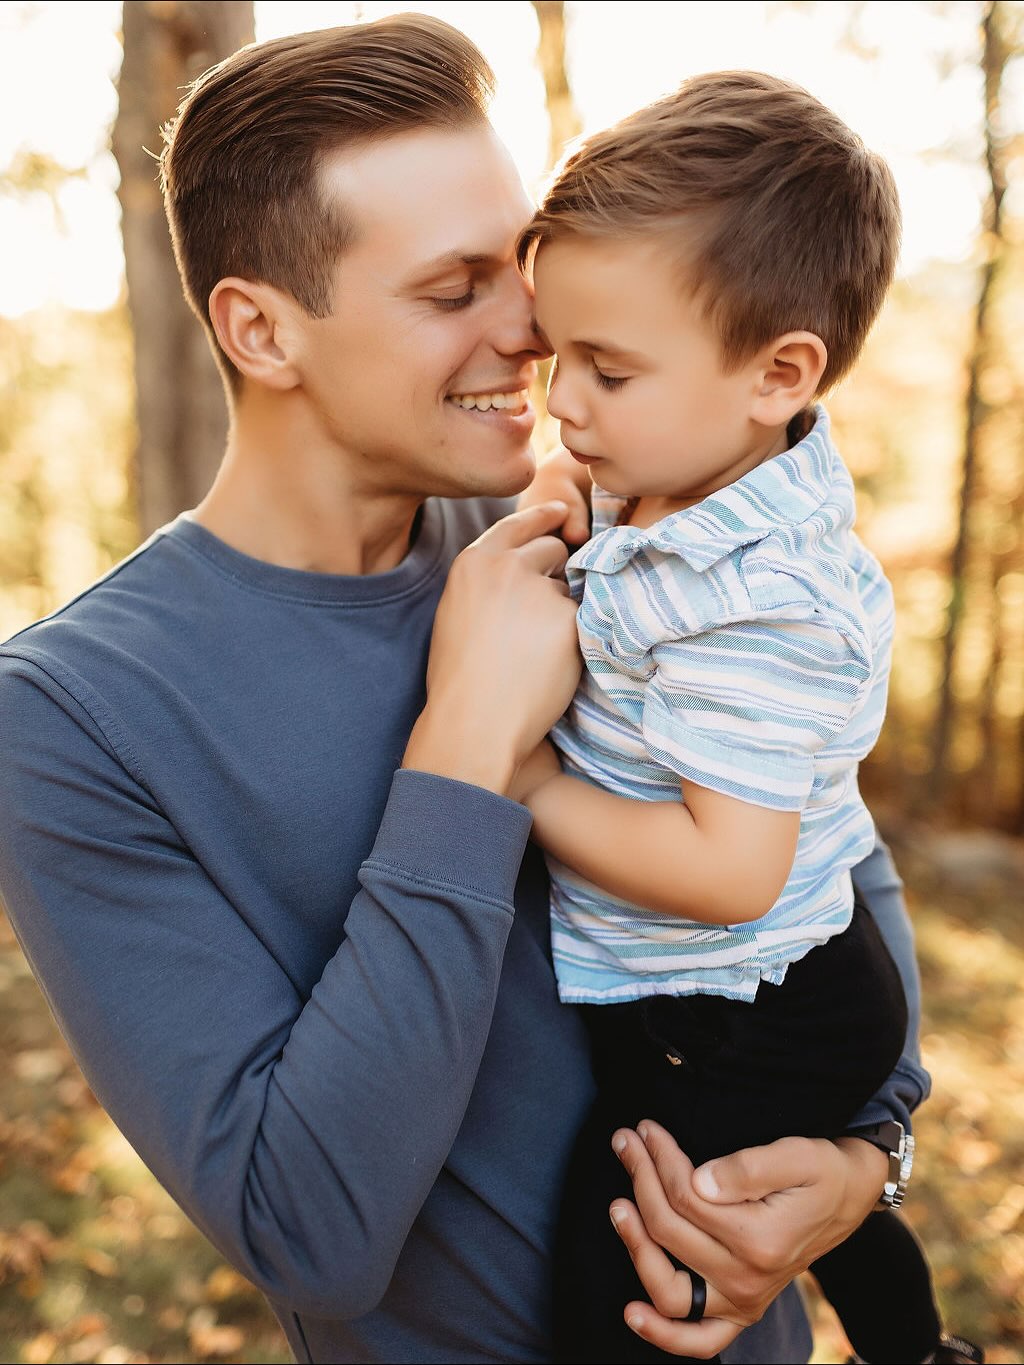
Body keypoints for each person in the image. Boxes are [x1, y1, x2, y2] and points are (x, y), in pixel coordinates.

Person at [0, 18, 928, 1364]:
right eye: (455, 291)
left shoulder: (612, 538)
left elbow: (823, 874)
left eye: (520, 270)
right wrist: (468, 747)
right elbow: (312, 1232)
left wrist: (862, 1168)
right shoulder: (71, 717)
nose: (534, 333)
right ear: (260, 328)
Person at [512, 72, 980, 1365]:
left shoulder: (754, 607)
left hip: (767, 992)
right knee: (788, 1198)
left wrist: (525, 780)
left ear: (778, 374)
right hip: (733, 975)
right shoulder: (680, 473)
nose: (565, 403)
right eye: (560, 359)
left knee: (631, 1238)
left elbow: (732, 868)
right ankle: (920, 1351)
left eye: (607, 369)